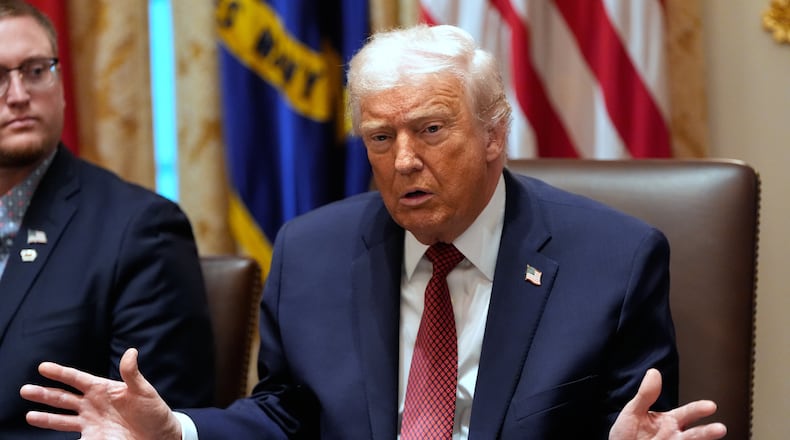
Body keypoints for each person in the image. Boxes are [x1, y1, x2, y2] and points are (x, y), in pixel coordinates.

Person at [19, 23, 727, 439]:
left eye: (430, 130)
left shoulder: (613, 259)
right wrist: (177, 431)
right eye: (380, 138)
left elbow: (635, 420)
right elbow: (287, 416)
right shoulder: (313, 252)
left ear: (493, 133)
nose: (405, 161)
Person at [0, 0, 215, 437]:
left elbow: (156, 425)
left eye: (36, 70)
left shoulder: (143, 230)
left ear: (61, 85)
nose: (19, 94)